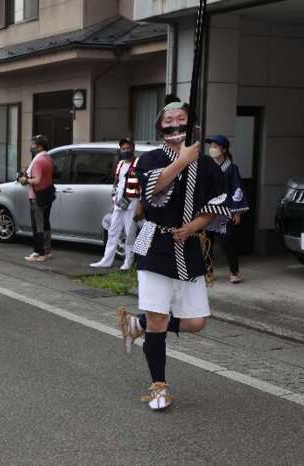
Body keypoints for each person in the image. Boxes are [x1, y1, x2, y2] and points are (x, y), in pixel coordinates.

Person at [116, 95, 231, 411]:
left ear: (189, 124)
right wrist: (183, 160)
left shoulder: (206, 164)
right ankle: (158, 387)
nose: (175, 125)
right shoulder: (149, 159)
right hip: (154, 244)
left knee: (195, 323)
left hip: (189, 247)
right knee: (159, 318)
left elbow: (218, 204)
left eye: (180, 120)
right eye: (168, 121)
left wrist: (194, 226)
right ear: (160, 127)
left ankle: (137, 324)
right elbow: (152, 190)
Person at [91, 137, 141, 270]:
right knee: (113, 231)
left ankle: (128, 262)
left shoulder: (139, 163)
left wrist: (139, 203)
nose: (125, 150)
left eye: (128, 148)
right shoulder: (120, 164)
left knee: (130, 232)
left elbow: (142, 184)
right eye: (123, 148)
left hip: (132, 201)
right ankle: (106, 260)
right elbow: (117, 182)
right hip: (119, 202)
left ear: (133, 148)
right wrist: (114, 198)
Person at [205, 135, 249, 283]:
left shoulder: (231, 169)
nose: (212, 149)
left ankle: (234, 271)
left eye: (215, 146)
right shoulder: (207, 165)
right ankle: (208, 271)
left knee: (227, 241)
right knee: (206, 242)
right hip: (208, 210)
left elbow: (237, 189)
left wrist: (237, 212)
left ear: (224, 149)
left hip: (225, 211)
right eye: (211, 146)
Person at [18, 134, 54, 262]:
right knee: (45, 223)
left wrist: (25, 179)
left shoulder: (38, 161)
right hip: (47, 194)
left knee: (37, 225)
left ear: (39, 147)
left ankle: (39, 252)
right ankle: (47, 251)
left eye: (33, 145)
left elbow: (37, 180)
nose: (31, 147)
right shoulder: (47, 158)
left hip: (37, 196)